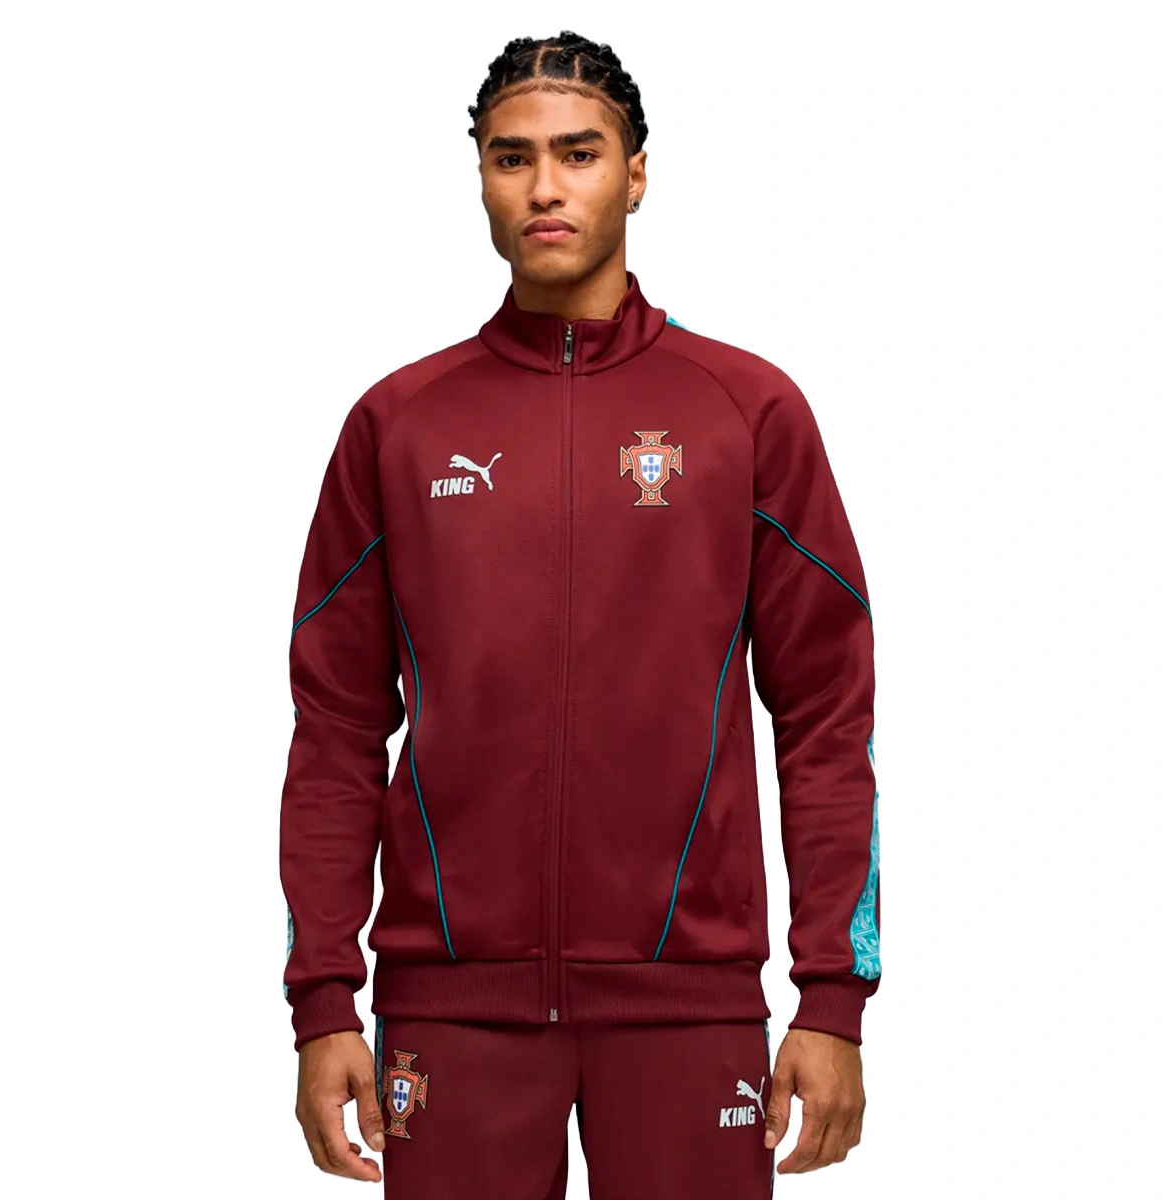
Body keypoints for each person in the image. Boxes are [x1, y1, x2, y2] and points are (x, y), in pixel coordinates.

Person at [279, 29, 880, 1198]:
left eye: (579, 153)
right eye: (513, 158)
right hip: (451, 1009)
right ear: (481, 178)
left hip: (689, 1002)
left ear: (636, 173)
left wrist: (833, 998)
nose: (545, 187)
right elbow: (336, 731)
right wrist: (322, 1001)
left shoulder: (746, 412)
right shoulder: (399, 425)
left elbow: (827, 718)